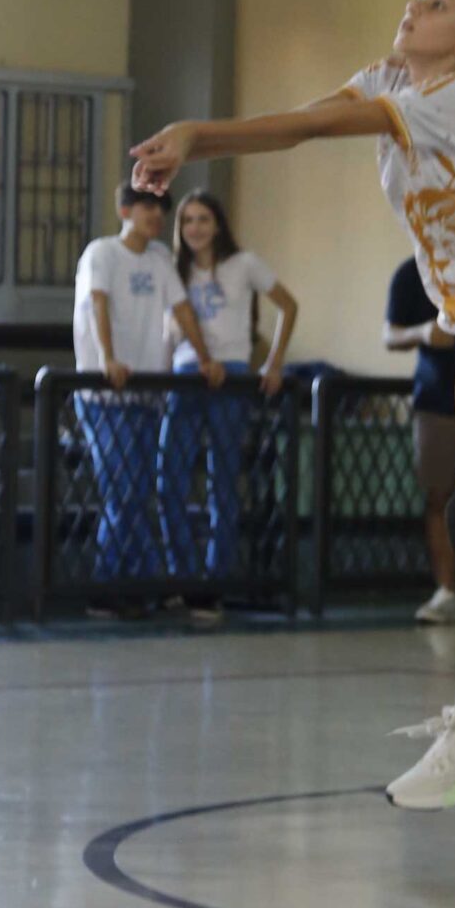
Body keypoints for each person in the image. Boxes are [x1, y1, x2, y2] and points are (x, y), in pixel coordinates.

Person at [133, 0, 455, 811]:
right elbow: (305, 122)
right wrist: (202, 139)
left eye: (437, 4)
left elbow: (312, 126)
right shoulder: (389, 78)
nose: (413, 6)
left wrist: (198, 135)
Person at [71, 182, 215, 608]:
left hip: (146, 394)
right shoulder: (102, 253)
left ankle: (126, 585)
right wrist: (108, 358)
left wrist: (205, 358)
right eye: (146, 205)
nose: (156, 214)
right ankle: (119, 585)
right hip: (104, 396)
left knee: (135, 489)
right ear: (125, 210)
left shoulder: (159, 259)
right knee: (123, 489)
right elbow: (98, 303)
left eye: (160, 207)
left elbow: (182, 309)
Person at [158, 191, 297, 616]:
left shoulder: (244, 264)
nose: (195, 228)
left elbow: (288, 306)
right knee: (170, 479)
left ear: (218, 224)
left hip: (232, 374)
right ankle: (183, 577)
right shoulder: (174, 270)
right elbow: (168, 332)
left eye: (203, 219)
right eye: (187, 221)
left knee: (223, 481)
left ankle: (215, 582)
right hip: (186, 374)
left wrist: (273, 363)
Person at [383, 255, 455, 632]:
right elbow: (390, 335)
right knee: (438, 493)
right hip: (437, 398)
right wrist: (425, 333)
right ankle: (446, 591)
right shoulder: (410, 274)